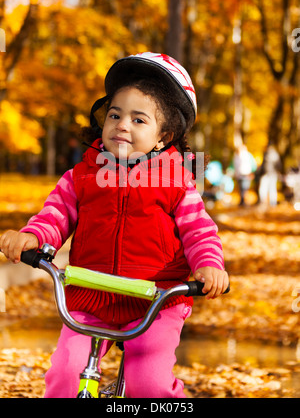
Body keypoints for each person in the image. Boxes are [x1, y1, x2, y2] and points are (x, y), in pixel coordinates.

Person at [0, 52, 228, 398]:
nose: (122, 124)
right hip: (90, 295)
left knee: (148, 384)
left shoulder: (178, 183)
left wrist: (209, 265)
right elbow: (55, 214)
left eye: (139, 120)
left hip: (155, 299)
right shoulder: (81, 177)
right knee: (65, 375)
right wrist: (33, 236)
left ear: (163, 137)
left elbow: (199, 232)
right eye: (115, 114)